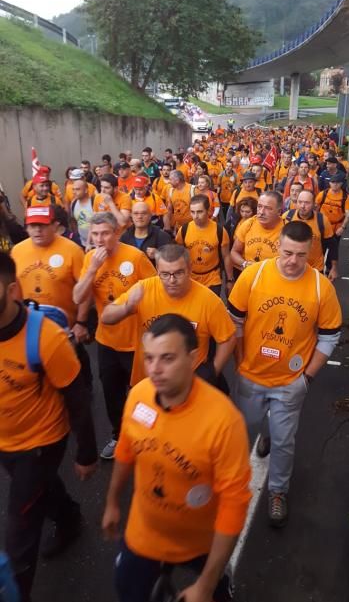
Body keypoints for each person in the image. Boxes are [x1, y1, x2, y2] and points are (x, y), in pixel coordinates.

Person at [102, 314, 251, 602]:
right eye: (149, 358)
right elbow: (125, 452)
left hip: (200, 541)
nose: (155, 370)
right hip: (145, 531)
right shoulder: (139, 396)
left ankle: (218, 579)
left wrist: (205, 587)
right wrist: (112, 502)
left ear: (192, 357)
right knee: (128, 592)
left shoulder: (223, 421)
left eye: (167, 358)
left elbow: (234, 505)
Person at [228, 221, 342, 527]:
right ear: (278, 245)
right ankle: (243, 464)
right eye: (288, 252)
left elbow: (330, 337)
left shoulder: (321, 287)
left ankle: (278, 491)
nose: (293, 261)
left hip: (290, 384)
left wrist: (307, 377)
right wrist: (239, 361)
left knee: (284, 441)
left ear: (310, 253)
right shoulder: (254, 275)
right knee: (243, 428)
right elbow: (235, 321)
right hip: (251, 378)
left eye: (301, 255)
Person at [0, 251, 97, 602]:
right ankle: (69, 517)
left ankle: (16, 596)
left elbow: (79, 399)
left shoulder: (46, 339)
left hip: (40, 441)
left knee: (19, 528)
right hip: (5, 439)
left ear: (12, 291)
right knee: (40, 489)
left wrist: (86, 454)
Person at [73, 212, 155, 459]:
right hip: (107, 341)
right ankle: (120, 436)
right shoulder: (90, 259)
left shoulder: (135, 256)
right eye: (95, 234)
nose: (98, 239)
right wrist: (92, 270)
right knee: (111, 394)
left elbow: (155, 289)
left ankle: (149, 438)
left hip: (137, 343)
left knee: (144, 393)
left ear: (116, 233)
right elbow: (78, 297)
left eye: (105, 233)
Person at [101, 244, 236, 391]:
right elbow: (106, 317)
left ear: (190, 270)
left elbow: (228, 338)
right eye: (165, 274)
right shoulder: (144, 289)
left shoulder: (209, 301)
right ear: (157, 271)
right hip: (147, 381)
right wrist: (126, 308)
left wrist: (212, 371)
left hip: (187, 384)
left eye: (178, 273)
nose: (172, 280)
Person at [12, 205, 93, 388]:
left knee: (75, 378)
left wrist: (81, 323)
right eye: (32, 226)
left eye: (43, 225)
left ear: (55, 226)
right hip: (30, 330)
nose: (37, 230)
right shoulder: (17, 251)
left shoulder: (72, 250)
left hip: (66, 331)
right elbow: (13, 287)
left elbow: (86, 290)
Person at [175, 195, 234, 297]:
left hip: (212, 278)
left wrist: (229, 280)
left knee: (210, 308)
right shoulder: (184, 230)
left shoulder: (219, 231)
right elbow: (178, 255)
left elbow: (226, 256)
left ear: (208, 211)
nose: (195, 216)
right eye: (192, 212)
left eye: (199, 212)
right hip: (190, 277)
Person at [283, 190, 338, 280]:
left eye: (307, 203)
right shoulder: (287, 217)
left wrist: (334, 268)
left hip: (315, 269)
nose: (302, 206)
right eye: (300, 202)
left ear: (314, 204)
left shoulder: (322, 221)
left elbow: (332, 245)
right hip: (292, 266)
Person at [231, 192, 283, 269]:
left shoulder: (287, 230)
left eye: (268, 208)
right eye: (259, 206)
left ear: (279, 212)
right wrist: (245, 264)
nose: (261, 212)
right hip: (250, 276)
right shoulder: (248, 224)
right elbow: (234, 252)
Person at [316, 173, 349, 270]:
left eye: (337, 183)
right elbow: (315, 207)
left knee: (333, 248)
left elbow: (348, 215)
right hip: (322, 226)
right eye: (332, 182)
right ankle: (320, 266)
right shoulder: (323, 194)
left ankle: (330, 267)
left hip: (336, 227)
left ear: (341, 184)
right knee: (320, 246)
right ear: (329, 183)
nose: (334, 185)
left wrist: (342, 227)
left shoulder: (345, 197)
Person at [69, 179, 95, 248]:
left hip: (97, 244)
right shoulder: (73, 203)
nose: (74, 192)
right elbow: (74, 221)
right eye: (73, 189)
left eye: (77, 189)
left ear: (86, 190)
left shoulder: (93, 202)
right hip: (82, 243)